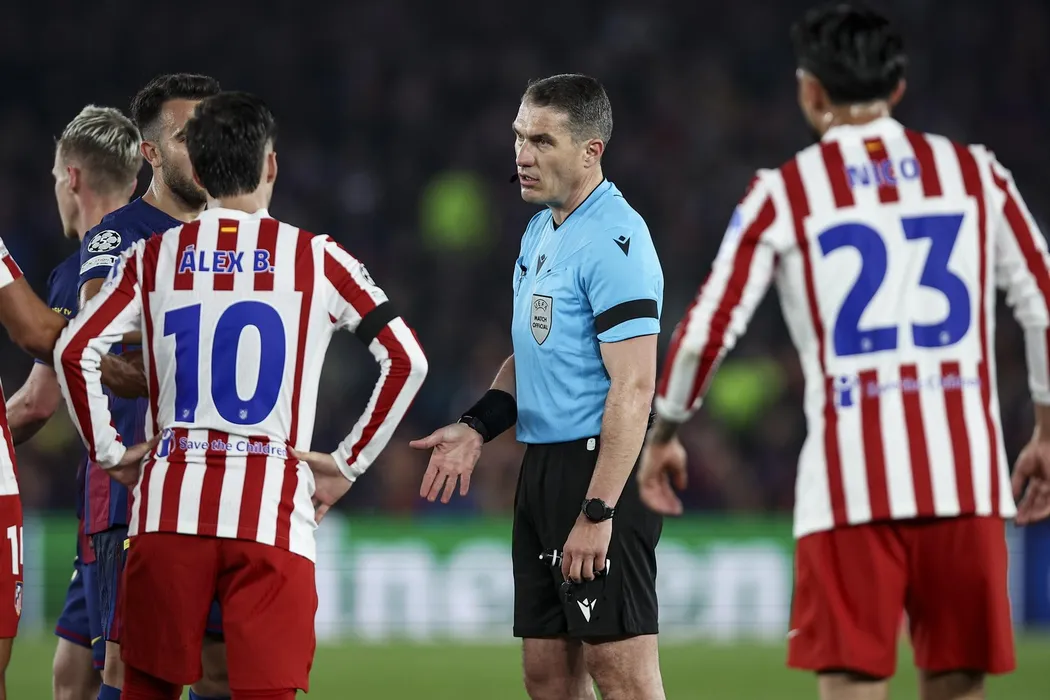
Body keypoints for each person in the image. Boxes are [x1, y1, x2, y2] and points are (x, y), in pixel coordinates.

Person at [639, 4, 1050, 700]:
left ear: (810, 90)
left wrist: (666, 433)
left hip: (847, 487)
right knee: (958, 688)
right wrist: (1045, 430)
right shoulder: (975, 173)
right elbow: (1042, 300)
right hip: (964, 482)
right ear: (898, 87)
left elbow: (707, 327)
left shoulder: (785, 191)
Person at [55, 90, 429, 700]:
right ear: (270, 165)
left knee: (143, 688)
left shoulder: (153, 257)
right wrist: (346, 464)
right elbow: (407, 359)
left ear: (199, 173)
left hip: (168, 507)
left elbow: (75, 350)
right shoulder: (318, 258)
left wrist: (110, 451)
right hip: (272, 513)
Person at [411, 74, 666, 700]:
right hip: (543, 468)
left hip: (600, 468)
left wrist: (599, 512)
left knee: (620, 672)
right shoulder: (541, 231)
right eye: (519, 137)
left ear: (591, 150)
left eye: (543, 141)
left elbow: (634, 388)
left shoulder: (616, 240)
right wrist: (476, 426)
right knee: (548, 676)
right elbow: (532, 356)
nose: (522, 155)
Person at [76, 73, 230, 700]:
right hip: (135, 487)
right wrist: (182, 380)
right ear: (151, 152)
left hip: (221, 480)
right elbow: (91, 340)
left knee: (221, 669)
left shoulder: (236, 235)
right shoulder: (120, 235)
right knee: (133, 667)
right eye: (188, 137)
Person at [5, 104, 140, 700]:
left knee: (122, 672)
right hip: (134, 488)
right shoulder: (168, 247)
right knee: (71, 673)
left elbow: (36, 405)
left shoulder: (84, 267)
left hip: (121, 494)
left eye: (57, 177)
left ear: (73, 178)